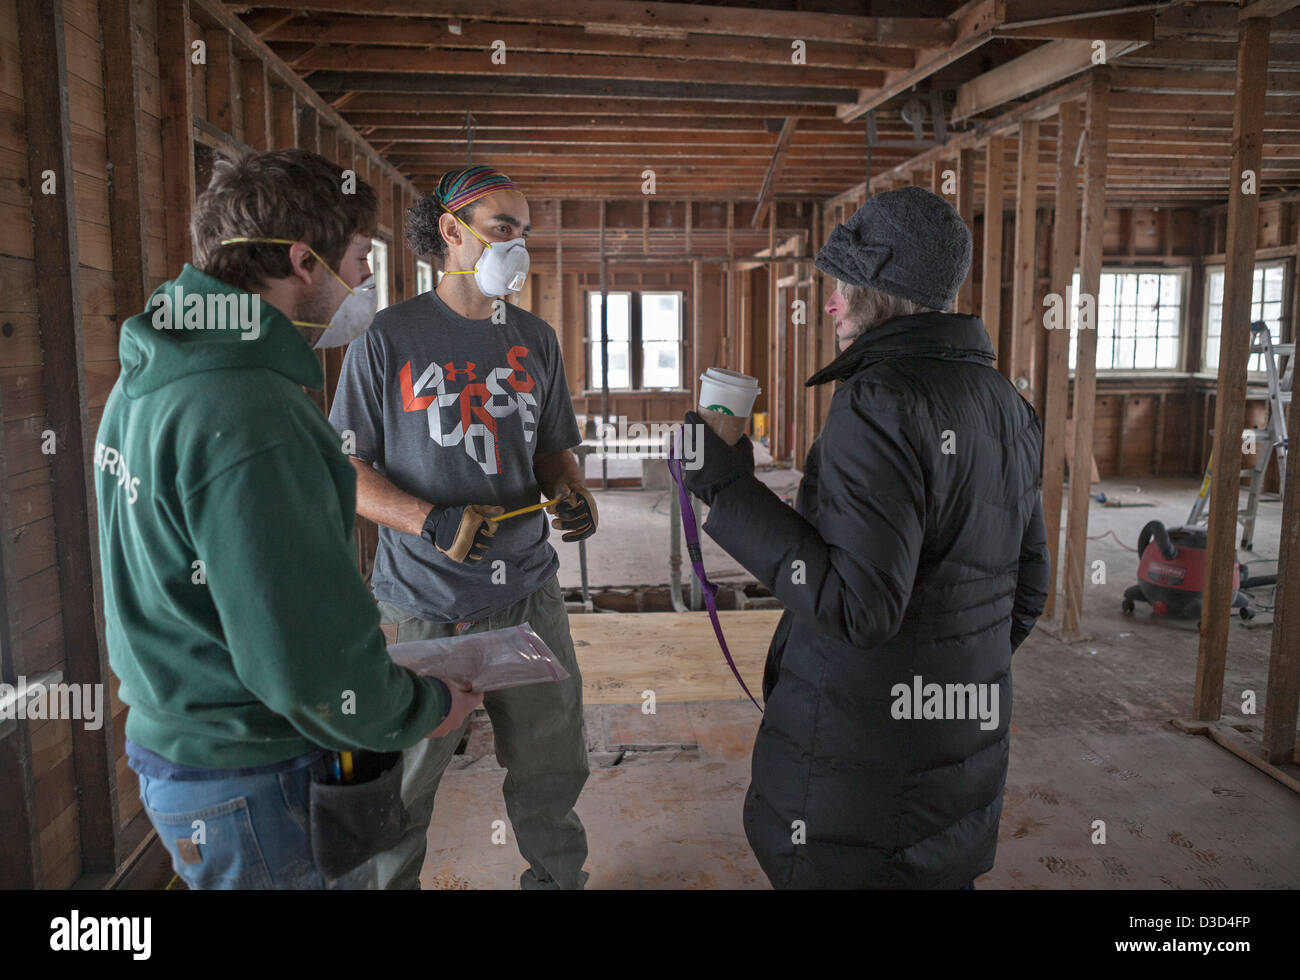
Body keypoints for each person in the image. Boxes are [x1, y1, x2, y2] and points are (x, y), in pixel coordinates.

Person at [93, 149, 481, 890]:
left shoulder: (153, 375)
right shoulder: (250, 412)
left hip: (185, 751)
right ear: (304, 261)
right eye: (361, 257)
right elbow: (301, 663)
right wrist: (423, 706)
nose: (366, 279)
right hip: (258, 773)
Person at [682, 186, 1049, 889]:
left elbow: (858, 608)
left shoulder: (878, 400)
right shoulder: (1005, 403)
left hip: (857, 789)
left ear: (880, 294)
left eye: (842, 288)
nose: (830, 304)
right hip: (958, 771)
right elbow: (1028, 589)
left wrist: (726, 488)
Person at [329, 164, 595, 890]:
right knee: (403, 785)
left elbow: (550, 450)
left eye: (524, 232)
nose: (518, 246)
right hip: (421, 605)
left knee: (552, 767)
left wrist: (569, 490)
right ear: (452, 233)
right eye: (502, 228)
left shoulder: (535, 339)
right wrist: (428, 519)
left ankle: (556, 883)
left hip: (529, 600)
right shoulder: (388, 338)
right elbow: (344, 469)